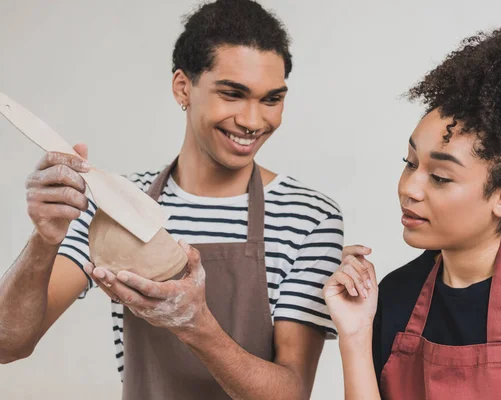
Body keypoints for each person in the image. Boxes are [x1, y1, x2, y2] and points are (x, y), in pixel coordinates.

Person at [0, 1, 344, 399]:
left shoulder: (309, 217)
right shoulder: (116, 205)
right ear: (183, 87)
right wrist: (44, 240)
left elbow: (292, 393)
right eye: (233, 94)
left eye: (271, 99)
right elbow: (8, 344)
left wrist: (195, 324)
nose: (253, 120)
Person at [324, 23, 501, 399]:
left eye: (439, 177)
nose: (408, 188)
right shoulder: (396, 295)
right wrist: (354, 334)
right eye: (409, 163)